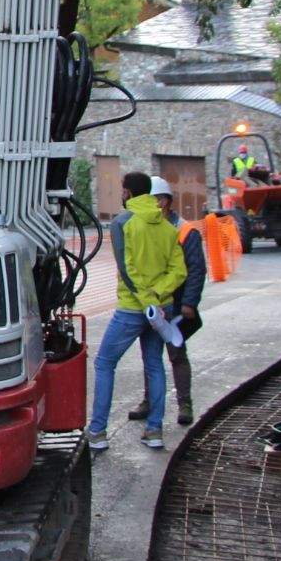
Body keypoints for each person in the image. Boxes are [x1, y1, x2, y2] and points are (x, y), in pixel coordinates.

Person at [88, 170, 188, 453]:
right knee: (154, 364)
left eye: (122, 189)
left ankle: (97, 431)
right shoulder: (168, 227)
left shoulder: (123, 223)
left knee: (104, 363)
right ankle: (154, 430)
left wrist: (146, 301)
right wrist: (158, 298)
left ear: (128, 192)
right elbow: (179, 271)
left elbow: (127, 269)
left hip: (134, 309)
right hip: (161, 311)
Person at [131, 177, 202, 427]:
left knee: (177, 354)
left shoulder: (185, 231)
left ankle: (185, 404)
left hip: (177, 303)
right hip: (152, 303)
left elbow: (195, 269)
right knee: (150, 356)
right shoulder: (146, 227)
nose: (154, 204)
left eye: (157, 200)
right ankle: (149, 401)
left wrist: (190, 303)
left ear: (167, 201)